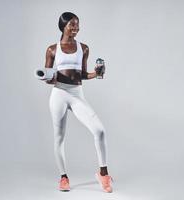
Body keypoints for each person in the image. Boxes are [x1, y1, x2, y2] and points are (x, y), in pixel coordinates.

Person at [44, 12, 113, 193]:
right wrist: (48, 78)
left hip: (76, 94)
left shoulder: (84, 48)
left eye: (77, 25)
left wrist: (96, 73)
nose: (75, 28)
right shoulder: (52, 49)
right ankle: (63, 177)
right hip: (58, 94)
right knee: (59, 137)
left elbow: (82, 74)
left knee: (99, 130)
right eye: (71, 25)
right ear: (63, 27)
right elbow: (49, 76)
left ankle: (103, 173)